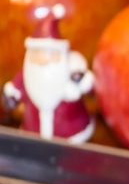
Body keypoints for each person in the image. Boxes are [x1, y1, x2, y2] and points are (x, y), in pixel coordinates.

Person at [2, 10, 95, 143]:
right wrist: (11, 97)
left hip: (71, 131)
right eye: (37, 54)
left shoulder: (72, 71)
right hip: (33, 130)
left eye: (50, 54)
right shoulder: (28, 74)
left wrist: (81, 80)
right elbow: (15, 90)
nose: (43, 60)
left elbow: (91, 90)